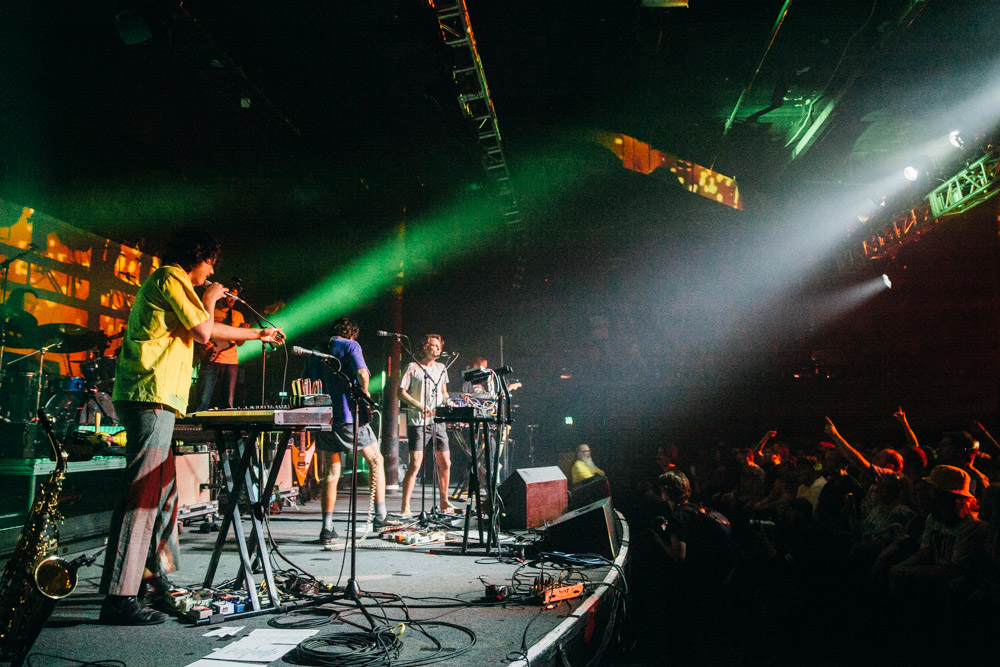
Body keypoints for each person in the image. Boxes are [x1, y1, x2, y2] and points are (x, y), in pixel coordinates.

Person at [98, 230, 283, 625]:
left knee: (164, 492)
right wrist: (213, 298)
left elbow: (207, 330)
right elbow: (203, 329)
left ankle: (152, 578)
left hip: (162, 398)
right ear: (196, 258)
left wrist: (258, 333)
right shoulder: (169, 278)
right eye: (210, 263)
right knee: (143, 493)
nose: (213, 271)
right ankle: (118, 595)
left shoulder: (178, 286)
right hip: (149, 394)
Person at [300, 317, 386, 544]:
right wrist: (365, 395)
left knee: (331, 472)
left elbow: (307, 381)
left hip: (323, 416)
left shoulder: (316, 350)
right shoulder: (351, 345)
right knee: (376, 460)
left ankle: (327, 529)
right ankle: (380, 516)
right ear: (352, 333)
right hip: (349, 415)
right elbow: (362, 372)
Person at [399, 333, 454, 516]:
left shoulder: (441, 368)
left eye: (439, 346)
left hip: (437, 421)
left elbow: (444, 392)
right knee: (415, 464)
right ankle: (405, 506)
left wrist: (448, 401)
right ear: (424, 347)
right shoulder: (412, 367)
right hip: (418, 421)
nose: (438, 349)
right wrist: (419, 405)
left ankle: (444, 500)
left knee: (445, 462)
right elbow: (400, 393)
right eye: (434, 345)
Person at [193, 285, 247, 410]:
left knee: (228, 401)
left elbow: (239, 342)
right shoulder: (210, 311)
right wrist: (203, 346)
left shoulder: (237, 315)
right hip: (211, 358)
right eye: (230, 296)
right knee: (203, 398)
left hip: (231, 361)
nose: (233, 300)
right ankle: (198, 425)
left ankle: (224, 427)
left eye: (235, 297)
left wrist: (244, 332)